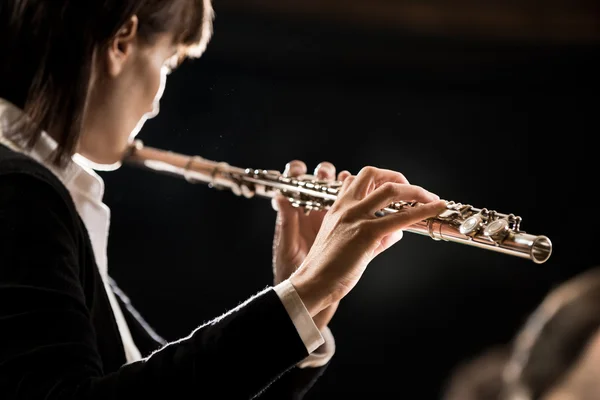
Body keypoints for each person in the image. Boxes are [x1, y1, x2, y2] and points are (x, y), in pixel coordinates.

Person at [0, 1, 447, 399]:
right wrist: (302, 290)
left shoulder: (36, 192)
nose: (156, 104)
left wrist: (308, 301)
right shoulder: (19, 192)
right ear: (121, 43)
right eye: (169, 62)